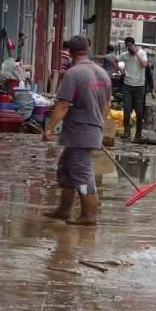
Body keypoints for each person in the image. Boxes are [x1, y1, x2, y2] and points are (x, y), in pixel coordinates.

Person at [42, 36, 111, 226]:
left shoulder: (74, 74)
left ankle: (89, 215)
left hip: (79, 131)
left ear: (70, 53)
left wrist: (48, 128)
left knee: (81, 174)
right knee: (65, 168)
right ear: (87, 49)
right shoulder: (102, 73)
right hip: (91, 129)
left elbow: (63, 104)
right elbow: (107, 104)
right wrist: (99, 124)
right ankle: (63, 210)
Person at [119, 36, 148, 140]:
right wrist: (121, 70)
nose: (129, 49)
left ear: (134, 45)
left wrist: (135, 53)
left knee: (139, 110)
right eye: (127, 47)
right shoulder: (125, 55)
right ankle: (127, 131)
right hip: (127, 85)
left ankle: (138, 132)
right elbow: (115, 60)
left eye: (130, 46)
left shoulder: (142, 53)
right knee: (127, 109)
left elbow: (144, 64)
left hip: (139, 86)